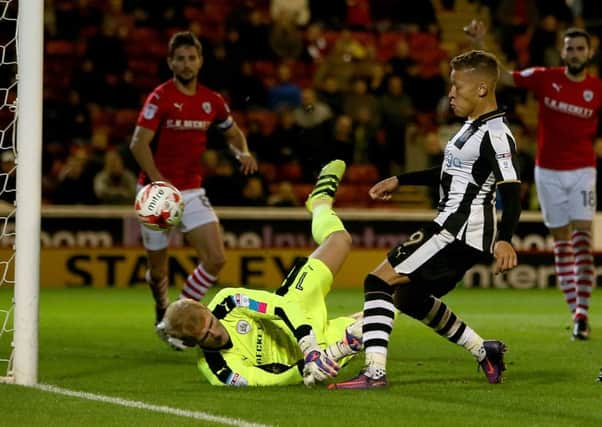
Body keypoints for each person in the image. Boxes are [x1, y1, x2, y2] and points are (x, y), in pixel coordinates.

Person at [330, 50, 523, 389]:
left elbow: (512, 190)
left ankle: (374, 372)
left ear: (481, 89)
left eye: (457, 86)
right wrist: (401, 180)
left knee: (378, 281)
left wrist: (505, 237)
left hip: (456, 231)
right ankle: (484, 350)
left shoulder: (496, 134)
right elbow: (451, 172)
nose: (450, 93)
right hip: (455, 229)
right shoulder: (470, 128)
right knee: (410, 299)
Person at [157, 160, 363, 386]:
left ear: (208, 310)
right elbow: (268, 381)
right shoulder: (218, 370)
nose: (215, 332)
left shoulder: (228, 302)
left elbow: (283, 307)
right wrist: (313, 362)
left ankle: (319, 202)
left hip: (298, 305)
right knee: (378, 320)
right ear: (193, 343)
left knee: (340, 240)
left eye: (211, 323)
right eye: (206, 336)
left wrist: (309, 346)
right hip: (310, 357)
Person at [466, 21, 601, 340]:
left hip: (584, 170)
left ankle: (582, 312)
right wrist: (483, 42)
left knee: (581, 238)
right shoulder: (545, 78)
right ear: (562, 50)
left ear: (590, 52)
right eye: (569, 48)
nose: (575, 53)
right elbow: (507, 76)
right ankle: (575, 312)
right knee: (561, 242)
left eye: (580, 48)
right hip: (548, 171)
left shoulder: (597, 88)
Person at [129, 31, 258, 326]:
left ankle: (177, 316)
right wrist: (160, 183)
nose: (186, 64)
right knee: (158, 271)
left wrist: (243, 153)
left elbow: (233, 133)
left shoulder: (211, 101)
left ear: (200, 62)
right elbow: (138, 144)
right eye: (180, 59)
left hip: (190, 189)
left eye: (191, 58)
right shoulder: (160, 97)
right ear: (170, 63)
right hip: (155, 192)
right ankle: (161, 302)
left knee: (215, 258)